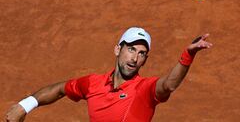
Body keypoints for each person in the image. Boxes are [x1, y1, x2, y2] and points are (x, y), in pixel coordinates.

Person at [5, 27, 213, 122]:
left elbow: (168, 85)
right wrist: (25, 106)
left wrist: (188, 54)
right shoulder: (92, 84)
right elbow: (60, 89)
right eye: (131, 49)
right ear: (117, 50)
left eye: (142, 54)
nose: (135, 58)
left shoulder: (144, 90)